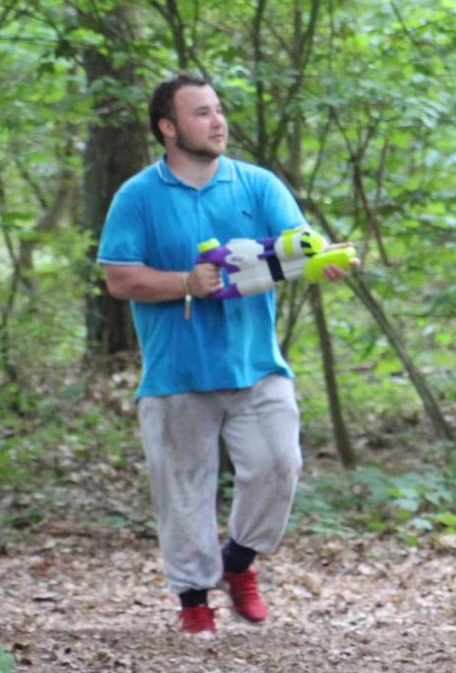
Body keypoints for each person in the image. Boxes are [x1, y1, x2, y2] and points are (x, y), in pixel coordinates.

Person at [98, 73, 355, 637]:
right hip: (176, 372)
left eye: (218, 109)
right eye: (201, 113)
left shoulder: (257, 184)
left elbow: (297, 246)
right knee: (182, 490)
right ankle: (194, 601)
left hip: (256, 366)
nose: (218, 121)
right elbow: (119, 279)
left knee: (280, 465)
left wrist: (323, 260)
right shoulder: (137, 196)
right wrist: (186, 283)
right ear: (168, 128)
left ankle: (238, 562)